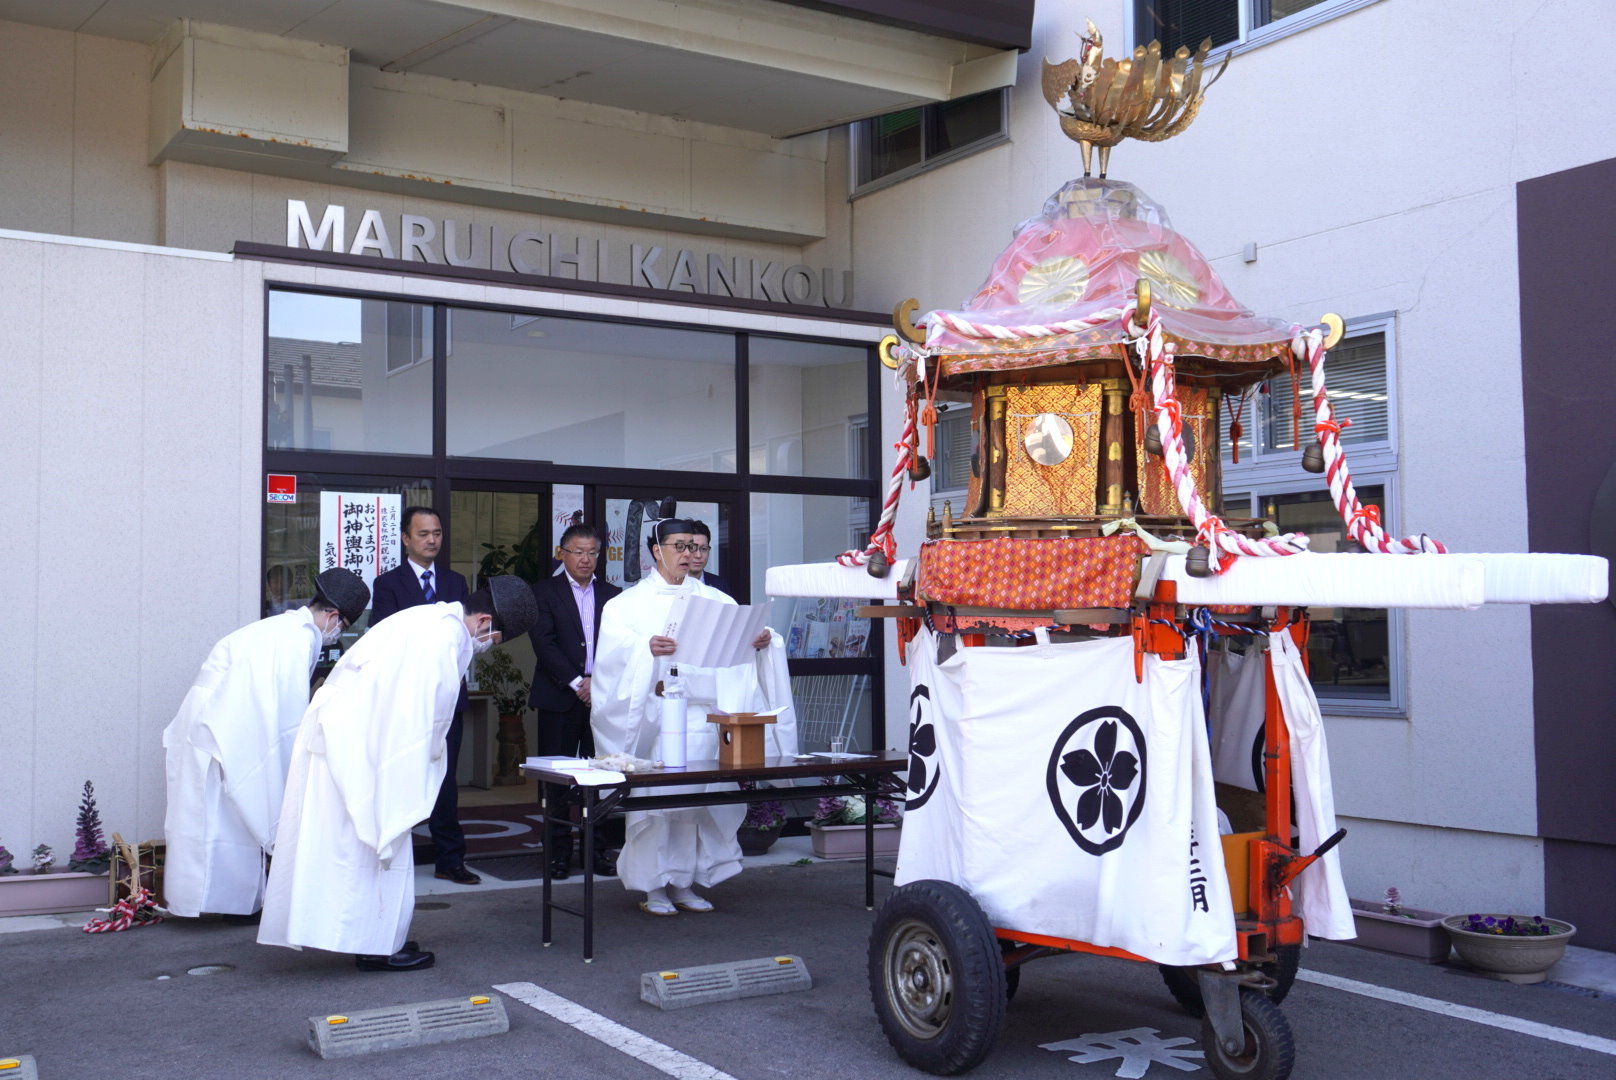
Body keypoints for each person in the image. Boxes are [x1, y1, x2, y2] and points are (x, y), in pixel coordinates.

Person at [258, 576, 538, 971]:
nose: (488, 646)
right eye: (494, 638)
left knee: (350, 848)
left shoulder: (433, 621)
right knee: (375, 847)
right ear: (484, 621)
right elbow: (420, 719)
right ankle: (376, 947)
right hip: (360, 749)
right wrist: (413, 780)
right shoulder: (441, 639)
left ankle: (374, 938)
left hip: (350, 741)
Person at [591, 519, 796, 917]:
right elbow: (611, 664)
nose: (691, 555)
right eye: (682, 546)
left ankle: (684, 882)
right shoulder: (625, 605)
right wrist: (645, 649)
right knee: (658, 806)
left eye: (700, 548)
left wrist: (764, 642)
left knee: (697, 805)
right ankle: (653, 887)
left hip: (706, 718)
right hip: (659, 717)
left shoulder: (718, 601)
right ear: (657, 550)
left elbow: (746, 643)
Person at [163, 568, 369, 920]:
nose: (338, 635)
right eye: (343, 626)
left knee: (208, 819)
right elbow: (286, 717)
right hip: (223, 729)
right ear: (333, 616)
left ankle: (216, 902)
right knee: (229, 818)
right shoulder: (297, 640)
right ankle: (232, 906)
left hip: (208, 724)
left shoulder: (283, 628)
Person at [370, 506, 479, 886]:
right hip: (407, 702)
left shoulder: (455, 582)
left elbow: (465, 636)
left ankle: (450, 859)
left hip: (447, 699)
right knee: (402, 778)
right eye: (423, 534)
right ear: (405, 539)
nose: (432, 539)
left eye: (437, 532)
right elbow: (383, 638)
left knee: (446, 782)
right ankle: (392, 860)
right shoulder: (388, 584)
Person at [528, 523, 621, 879]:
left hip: (602, 701)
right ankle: (557, 854)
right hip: (558, 699)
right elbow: (544, 644)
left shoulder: (614, 595)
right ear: (561, 553)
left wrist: (597, 683)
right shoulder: (544, 592)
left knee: (599, 778)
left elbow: (619, 646)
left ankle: (596, 851)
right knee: (558, 781)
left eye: (592, 553)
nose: (586, 559)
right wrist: (577, 682)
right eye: (578, 552)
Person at [685, 519, 732, 598]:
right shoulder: (670, 583)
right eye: (692, 548)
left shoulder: (719, 584)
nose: (698, 555)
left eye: (704, 549)